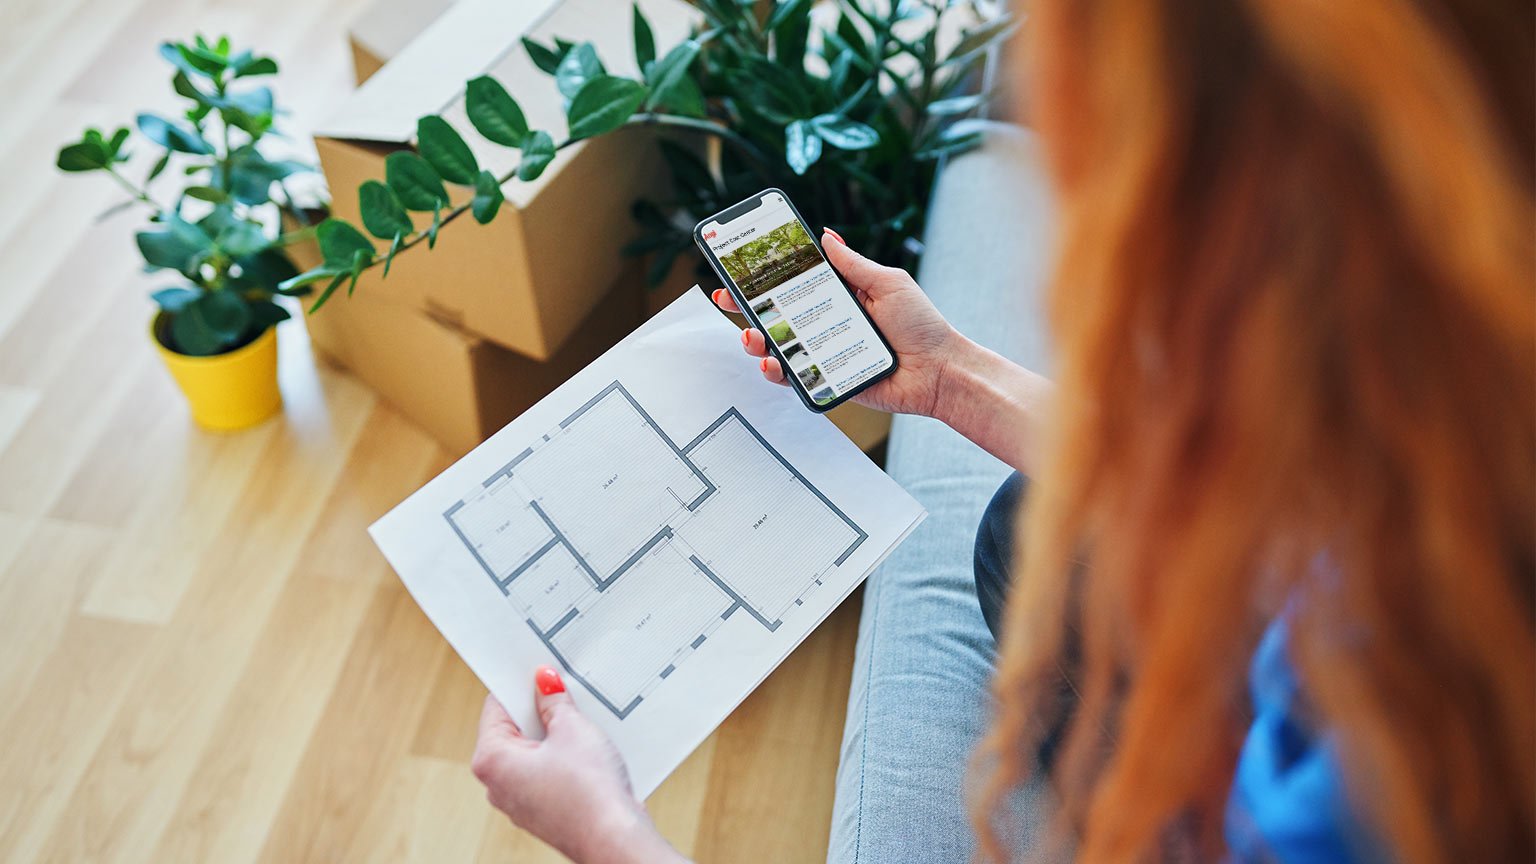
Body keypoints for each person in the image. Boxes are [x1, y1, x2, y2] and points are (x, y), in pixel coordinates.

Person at [470, 0, 1535, 860]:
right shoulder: (1460, 414)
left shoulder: (1371, 784)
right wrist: (950, 378)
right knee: (1032, 535)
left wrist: (606, 830)